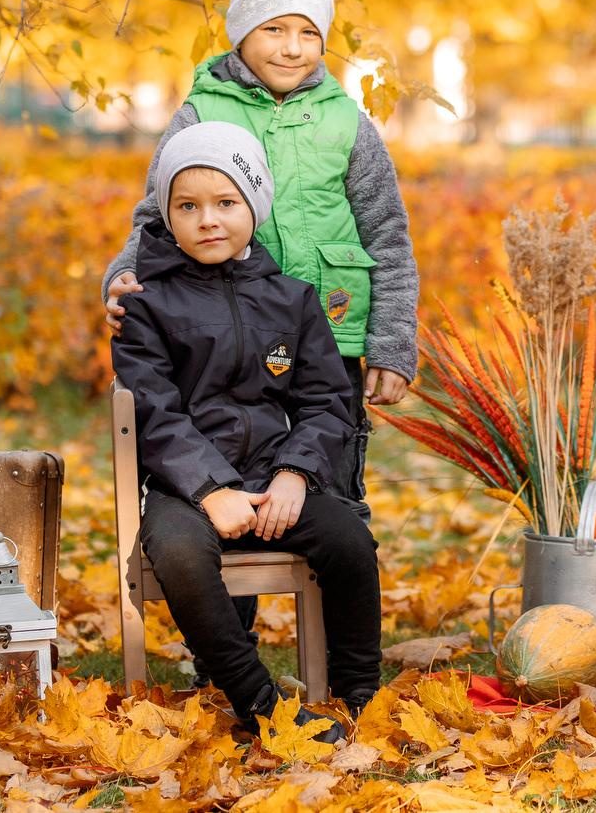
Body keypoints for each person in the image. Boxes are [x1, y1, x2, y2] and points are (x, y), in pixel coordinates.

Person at [113, 121, 380, 735]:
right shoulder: (147, 307)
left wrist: (294, 475)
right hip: (187, 488)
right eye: (188, 205)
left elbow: (325, 400)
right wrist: (209, 491)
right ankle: (260, 701)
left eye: (226, 202)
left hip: (272, 478)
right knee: (179, 554)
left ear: (255, 206)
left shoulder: (294, 300)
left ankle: (360, 688)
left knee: (347, 537)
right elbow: (154, 411)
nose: (208, 219)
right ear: (166, 216)